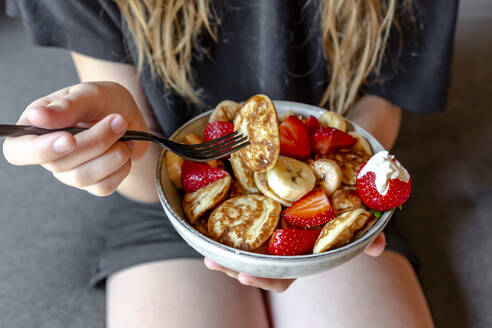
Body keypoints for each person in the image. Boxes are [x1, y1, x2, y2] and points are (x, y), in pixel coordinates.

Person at [4, 0, 458, 327]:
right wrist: (123, 132)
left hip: (339, 201)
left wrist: (361, 178)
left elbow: (378, 105)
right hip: (166, 199)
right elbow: (150, 183)